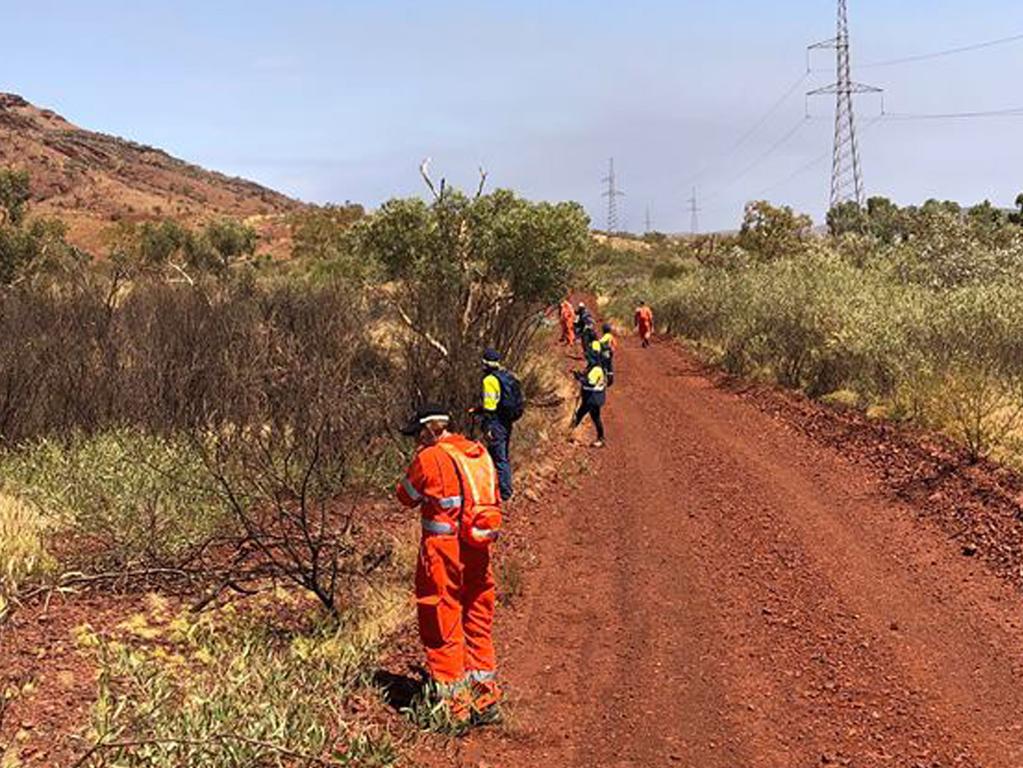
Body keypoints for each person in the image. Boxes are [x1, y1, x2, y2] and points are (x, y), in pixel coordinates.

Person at [396, 404, 503, 726]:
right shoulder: (476, 453)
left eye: (417, 434)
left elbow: (405, 496)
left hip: (442, 552)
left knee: (441, 618)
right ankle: (485, 700)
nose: (416, 440)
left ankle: (453, 709)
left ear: (430, 430)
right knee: (477, 616)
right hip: (477, 547)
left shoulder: (430, 458)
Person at [479, 348, 522, 501]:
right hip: (506, 421)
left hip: (495, 423)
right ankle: (501, 487)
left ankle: (505, 492)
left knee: (498, 457)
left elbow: (490, 405)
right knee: (502, 455)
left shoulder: (489, 380)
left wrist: (487, 426)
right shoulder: (506, 376)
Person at [571, 346, 607, 447]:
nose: (587, 359)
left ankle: (569, 431)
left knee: (580, 414)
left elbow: (590, 382)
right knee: (595, 417)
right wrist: (579, 375)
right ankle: (601, 438)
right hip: (594, 397)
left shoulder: (596, 369)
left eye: (588, 357)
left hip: (592, 398)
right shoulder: (594, 367)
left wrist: (580, 379)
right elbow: (587, 378)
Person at [598, 322, 617, 386]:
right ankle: (610, 378)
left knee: (603, 365)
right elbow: (615, 344)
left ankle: (603, 380)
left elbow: (601, 342)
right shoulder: (611, 336)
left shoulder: (606, 336)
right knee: (609, 366)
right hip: (610, 353)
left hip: (605, 352)